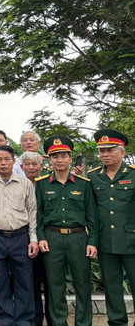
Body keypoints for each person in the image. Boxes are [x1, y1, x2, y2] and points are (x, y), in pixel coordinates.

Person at [35, 136, 97, 326]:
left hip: (78, 238)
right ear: (49, 160)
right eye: (55, 156)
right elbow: (38, 214)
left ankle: (83, 323)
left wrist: (92, 241)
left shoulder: (83, 184)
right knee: (55, 285)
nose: (59, 160)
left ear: (71, 158)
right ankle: (59, 323)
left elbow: (92, 216)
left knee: (82, 284)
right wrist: (41, 237)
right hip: (52, 238)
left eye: (63, 156)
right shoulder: (42, 184)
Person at [0, 145, 38, 326]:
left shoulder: (25, 183)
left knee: (24, 280)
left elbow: (32, 212)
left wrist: (33, 239)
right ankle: (4, 318)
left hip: (21, 237)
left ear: (14, 161)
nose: (3, 163)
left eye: (7, 159)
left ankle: (23, 319)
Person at [88, 129, 134, 326]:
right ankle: (117, 322)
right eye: (101, 151)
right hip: (106, 241)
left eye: (109, 150)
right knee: (112, 286)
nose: (104, 155)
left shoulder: (132, 174)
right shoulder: (93, 177)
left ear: (122, 152)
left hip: (131, 241)